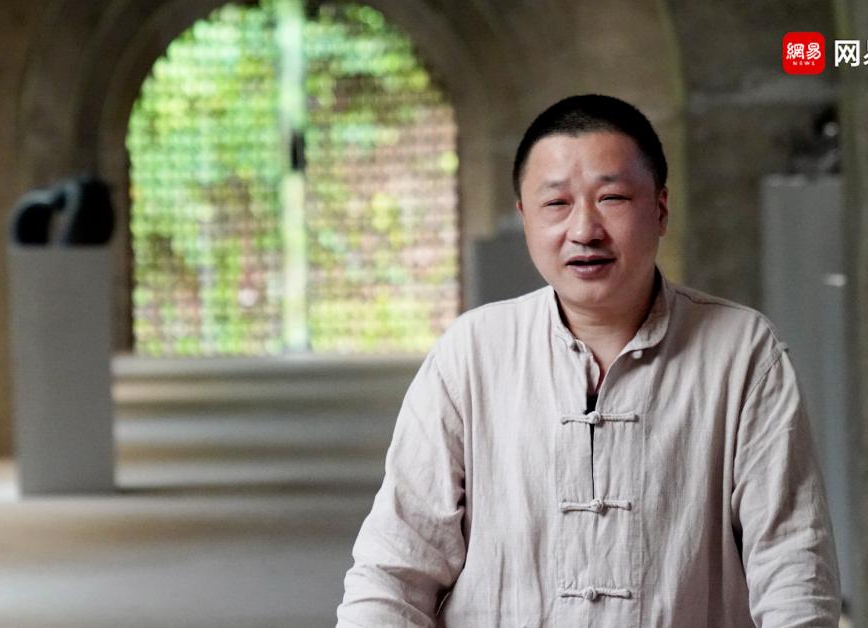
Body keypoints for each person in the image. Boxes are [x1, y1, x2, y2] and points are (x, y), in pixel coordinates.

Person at [337, 94, 841, 627]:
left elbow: (792, 563)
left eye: (612, 198)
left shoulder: (743, 352)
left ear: (660, 208)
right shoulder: (471, 353)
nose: (584, 230)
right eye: (556, 203)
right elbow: (396, 563)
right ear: (524, 216)